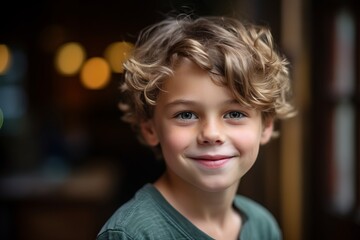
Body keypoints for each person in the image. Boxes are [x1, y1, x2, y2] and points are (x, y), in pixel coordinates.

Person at [97, 15, 295, 240]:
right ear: (150, 129)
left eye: (235, 113)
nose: (211, 134)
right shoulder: (132, 234)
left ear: (266, 126)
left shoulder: (263, 226)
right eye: (186, 114)